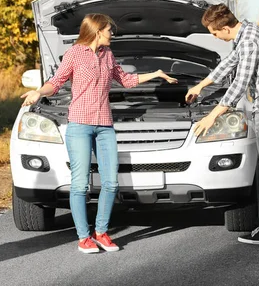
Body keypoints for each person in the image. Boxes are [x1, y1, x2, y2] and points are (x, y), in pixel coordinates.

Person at [21, 13, 177, 253]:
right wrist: (38, 93)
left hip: (104, 126)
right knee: (80, 185)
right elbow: (57, 80)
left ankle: (101, 232)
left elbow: (125, 80)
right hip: (80, 126)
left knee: (111, 183)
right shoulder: (74, 54)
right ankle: (84, 237)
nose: (112, 34)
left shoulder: (108, 55)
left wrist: (155, 74)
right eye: (109, 30)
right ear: (97, 31)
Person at [185, 4, 259, 245]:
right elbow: (229, 64)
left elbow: (238, 84)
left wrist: (212, 116)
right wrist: (200, 85)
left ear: (224, 28)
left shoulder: (248, 41)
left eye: (215, 33)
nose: (215, 37)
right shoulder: (249, 32)